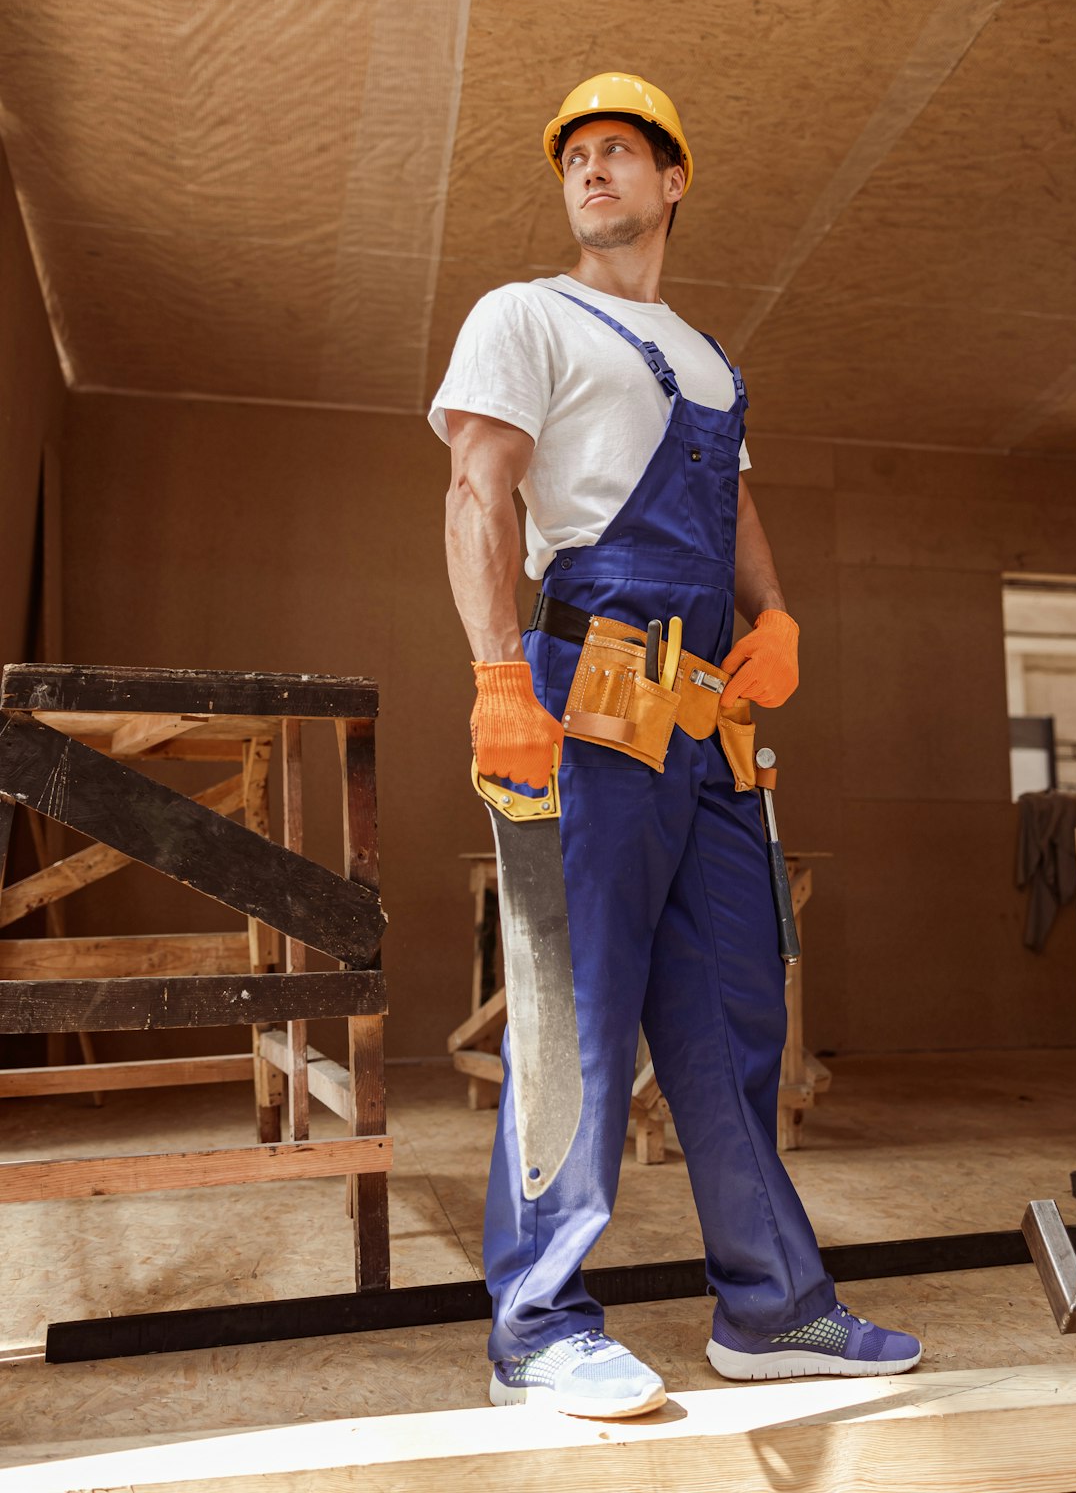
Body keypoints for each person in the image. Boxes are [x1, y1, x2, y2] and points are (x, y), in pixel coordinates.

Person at [430, 72, 922, 1419]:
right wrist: (493, 674)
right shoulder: (523, 314)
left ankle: (771, 1306)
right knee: (574, 1008)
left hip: (706, 719)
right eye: (573, 157)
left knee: (730, 1015)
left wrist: (776, 614)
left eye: (618, 154)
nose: (591, 172)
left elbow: (735, 497)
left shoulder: (709, 359)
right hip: (584, 686)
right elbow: (477, 487)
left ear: (672, 182)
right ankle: (539, 1324)